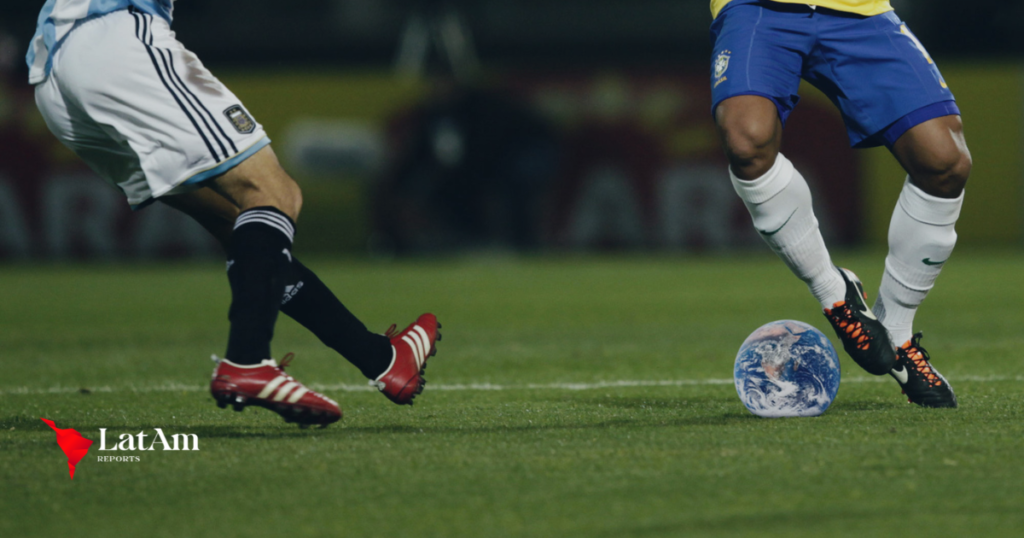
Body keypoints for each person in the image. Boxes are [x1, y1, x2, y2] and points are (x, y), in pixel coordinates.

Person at [28, 0, 441, 427]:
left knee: (237, 223)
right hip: (112, 37)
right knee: (272, 192)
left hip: (54, 78)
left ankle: (381, 359)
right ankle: (247, 361)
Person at [709, 0, 970, 407]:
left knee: (945, 161)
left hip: (860, 10)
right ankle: (834, 292)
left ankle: (895, 332)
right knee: (747, 140)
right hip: (758, 8)